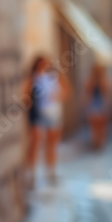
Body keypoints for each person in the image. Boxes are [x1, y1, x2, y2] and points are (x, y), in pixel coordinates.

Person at [25, 56, 71, 185]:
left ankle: (50, 171)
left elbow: (66, 90)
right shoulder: (33, 78)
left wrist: (57, 95)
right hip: (38, 114)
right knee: (34, 143)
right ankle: (31, 173)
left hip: (53, 114)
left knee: (51, 144)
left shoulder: (55, 76)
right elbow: (25, 94)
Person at [84, 64, 111, 150]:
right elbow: (87, 91)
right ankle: (95, 141)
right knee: (94, 125)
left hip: (101, 104)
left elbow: (107, 92)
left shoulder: (104, 80)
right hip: (93, 104)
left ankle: (100, 141)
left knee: (101, 125)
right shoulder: (90, 80)